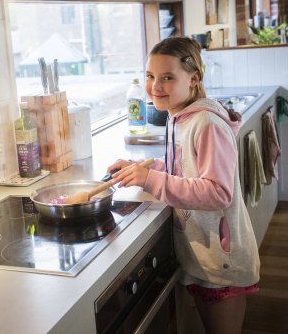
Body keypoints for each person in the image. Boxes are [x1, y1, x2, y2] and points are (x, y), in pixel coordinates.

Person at [108, 37, 260, 334]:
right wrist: (143, 168)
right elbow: (186, 168)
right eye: (151, 77)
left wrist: (151, 180)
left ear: (194, 78)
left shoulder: (206, 124)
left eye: (167, 77)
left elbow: (217, 191)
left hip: (222, 259)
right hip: (203, 254)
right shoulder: (178, 117)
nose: (155, 86)